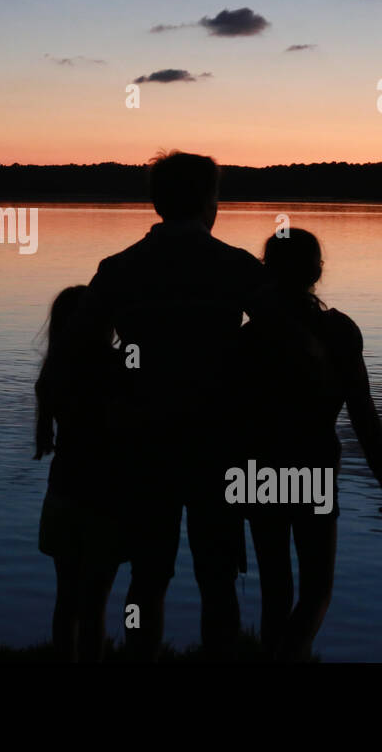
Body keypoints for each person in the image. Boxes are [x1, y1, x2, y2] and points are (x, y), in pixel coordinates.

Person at [87, 151, 272, 660]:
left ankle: (140, 656)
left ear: (157, 201)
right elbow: (279, 339)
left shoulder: (119, 268)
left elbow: (88, 351)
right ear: (210, 202)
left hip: (143, 441)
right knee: (217, 572)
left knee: (147, 572)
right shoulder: (235, 266)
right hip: (218, 442)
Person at [237, 228, 382, 661]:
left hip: (258, 470)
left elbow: (230, 417)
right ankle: (292, 654)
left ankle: (278, 655)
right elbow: (363, 413)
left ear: (267, 271)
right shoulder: (340, 331)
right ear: (317, 271)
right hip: (313, 467)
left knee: (275, 590)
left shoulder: (249, 338)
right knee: (317, 590)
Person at [34, 285, 131, 662]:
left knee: (68, 600)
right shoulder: (112, 369)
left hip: (63, 493)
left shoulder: (54, 372)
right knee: (95, 606)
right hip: (106, 498)